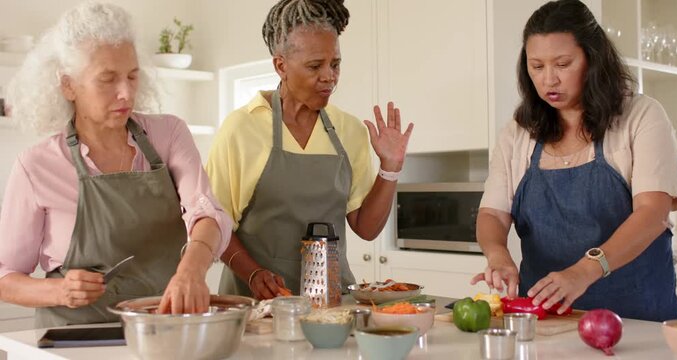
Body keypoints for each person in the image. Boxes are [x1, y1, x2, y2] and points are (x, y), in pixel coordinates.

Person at [0, 2, 233, 327]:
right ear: (68, 85)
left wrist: (191, 270)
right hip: (75, 341)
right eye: (107, 79)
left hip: (162, 331)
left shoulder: (169, 135)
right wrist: (59, 291)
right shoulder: (37, 166)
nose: (125, 92)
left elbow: (207, 213)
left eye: (132, 76)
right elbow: (5, 276)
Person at [472, 0, 677, 322]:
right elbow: (492, 213)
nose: (549, 80)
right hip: (548, 316)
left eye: (563, 64)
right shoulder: (518, 131)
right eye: (537, 66)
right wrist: (498, 254)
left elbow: (653, 213)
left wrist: (584, 271)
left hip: (638, 318)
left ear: (592, 60)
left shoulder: (641, 115)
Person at [206, 0, 413, 300]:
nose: (329, 76)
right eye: (315, 66)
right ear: (281, 66)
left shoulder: (349, 130)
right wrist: (253, 273)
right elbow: (214, 224)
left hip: (333, 303)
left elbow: (366, 228)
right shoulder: (241, 128)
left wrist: (390, 167)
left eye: (336, 64)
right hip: (259, 303)